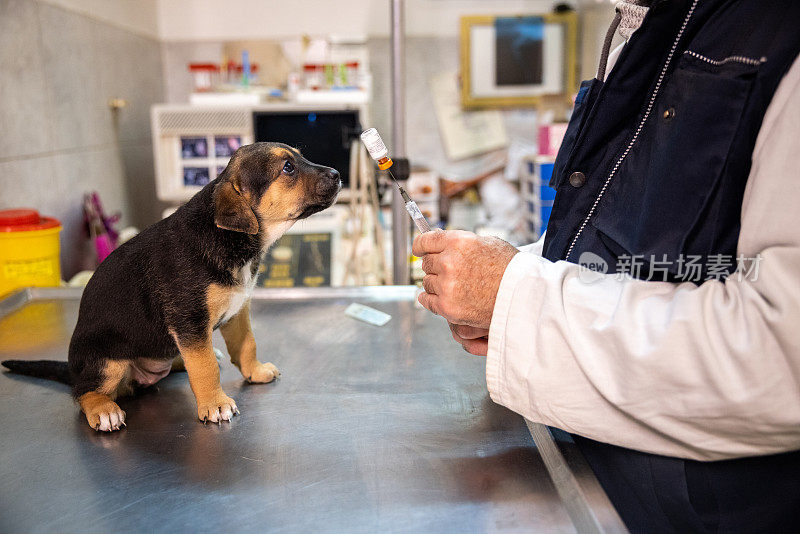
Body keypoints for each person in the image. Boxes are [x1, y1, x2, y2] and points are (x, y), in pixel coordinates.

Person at [412, 1, 800, 532]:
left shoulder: (780, 38)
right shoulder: (659, 23)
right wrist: (511, 280)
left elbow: (779, 357)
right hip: (596, 474)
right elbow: (629, 234)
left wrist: (518, 299)